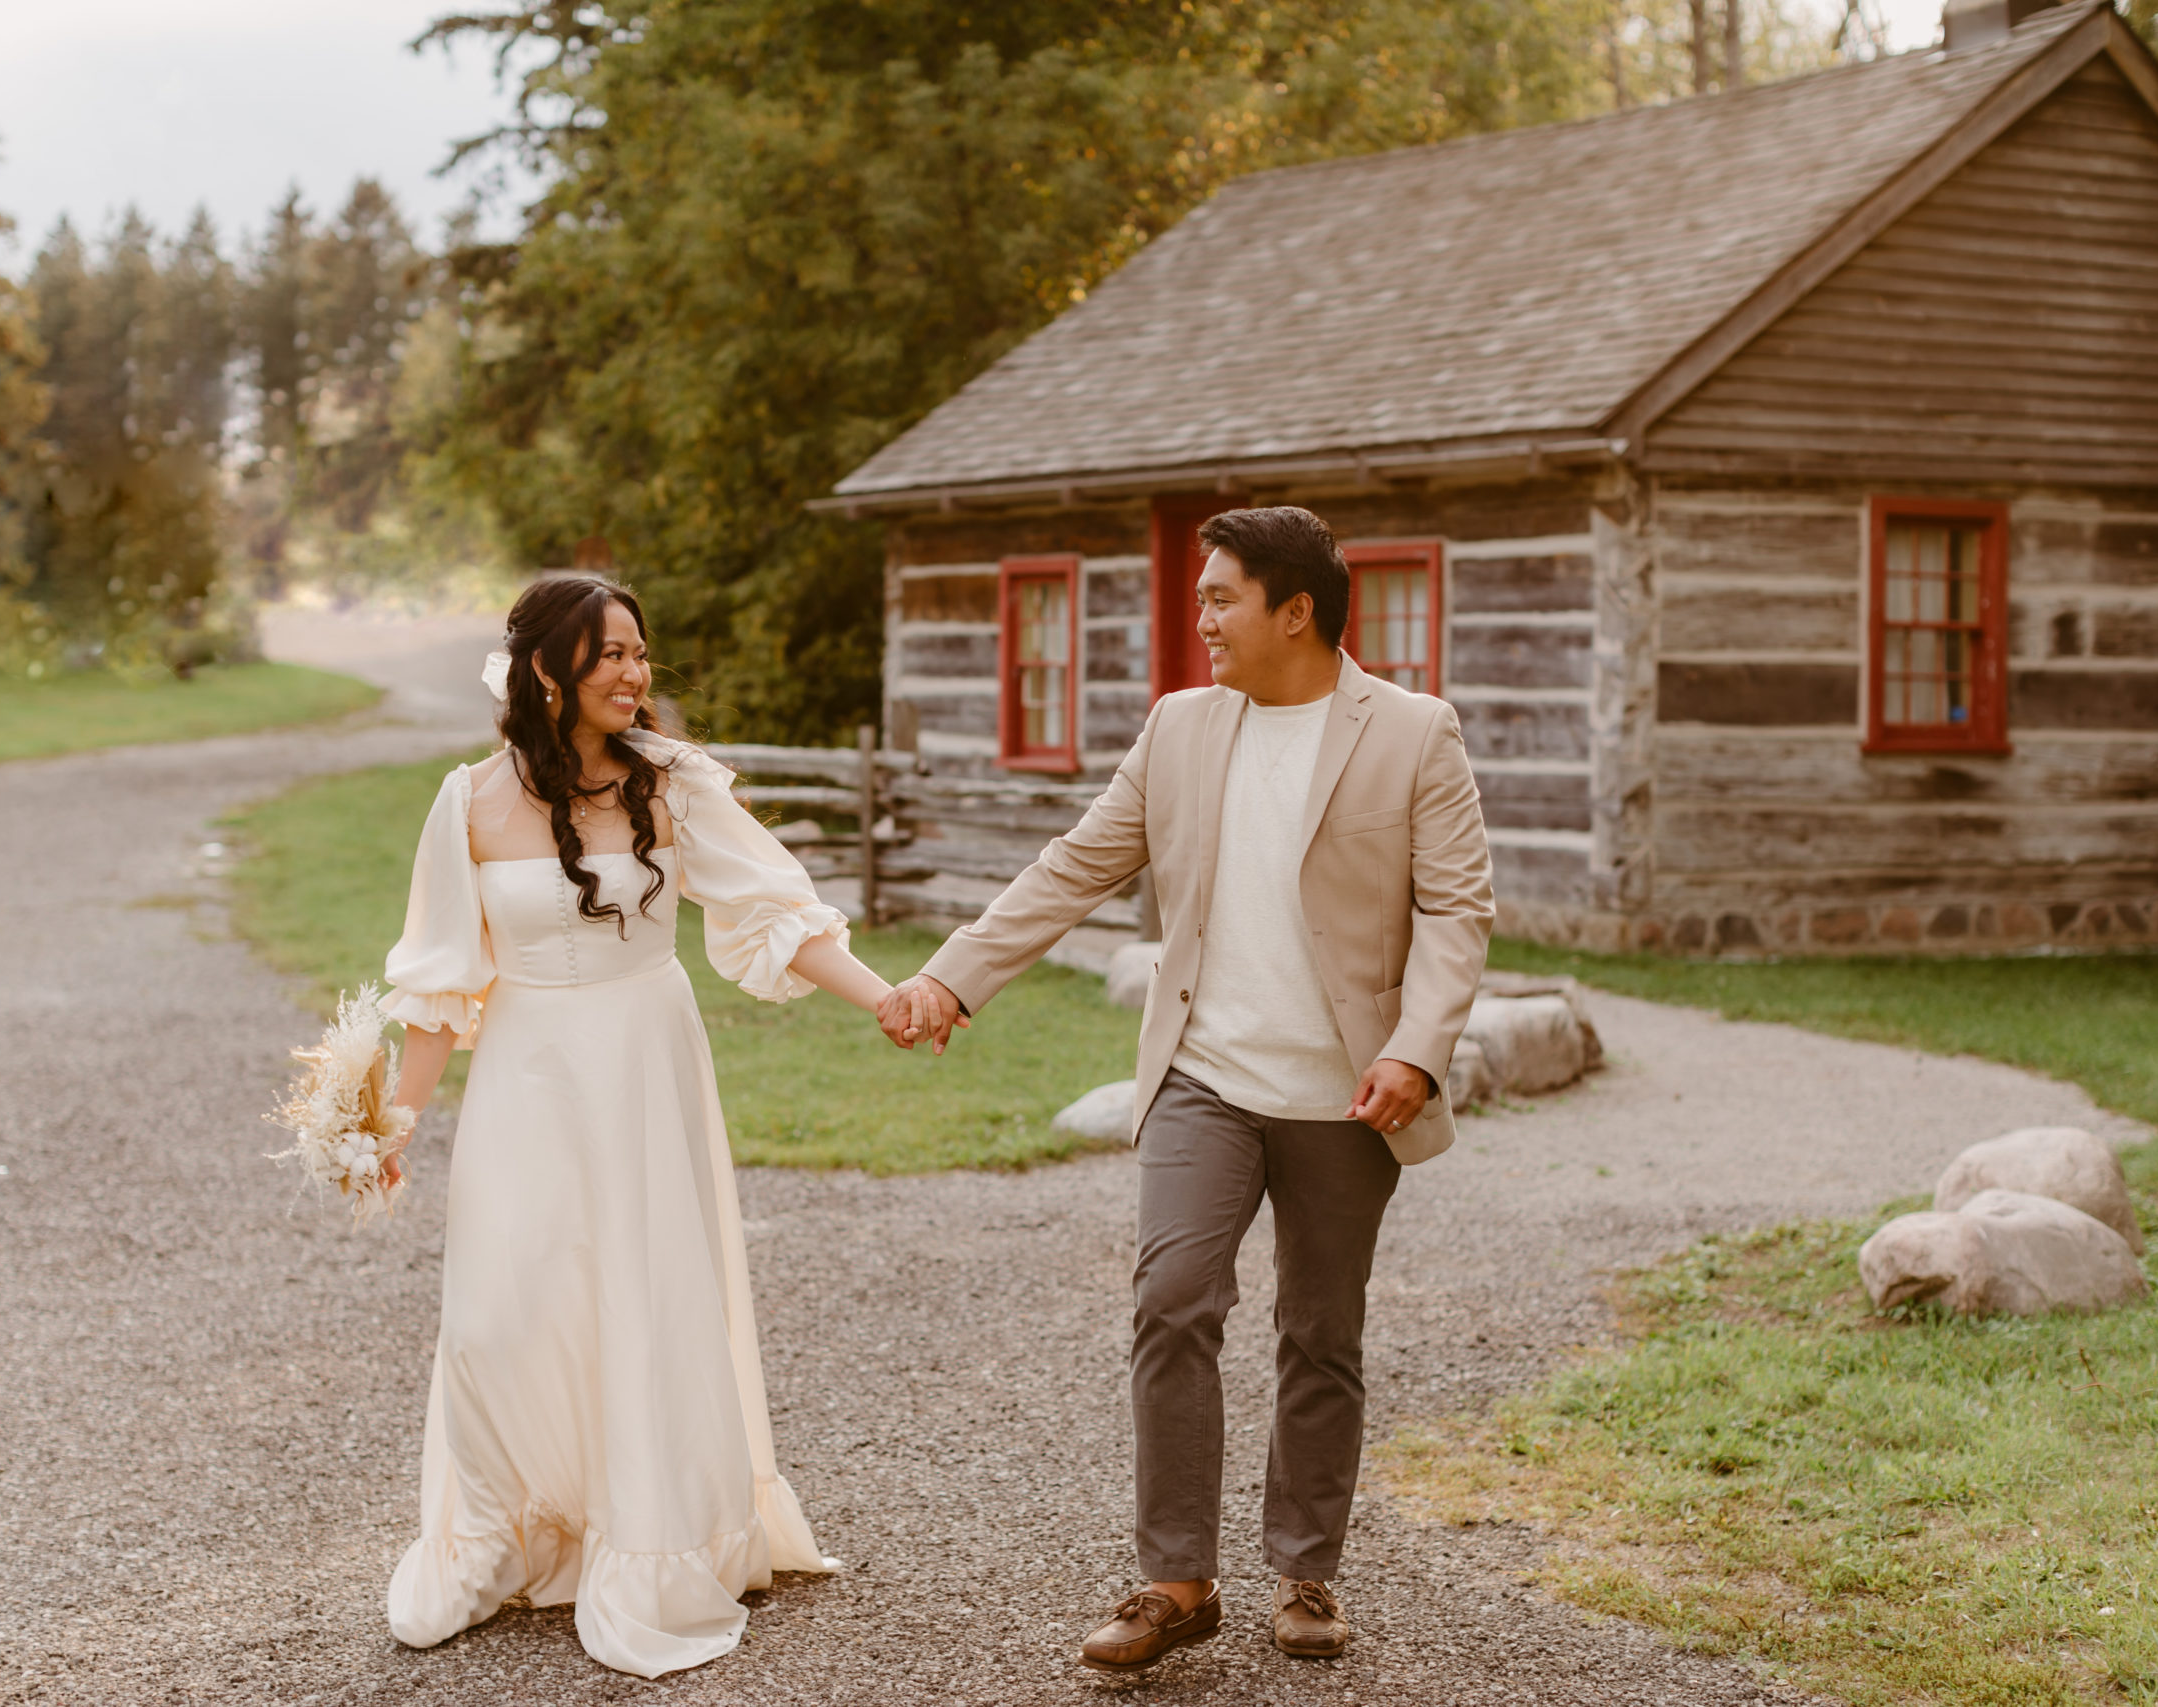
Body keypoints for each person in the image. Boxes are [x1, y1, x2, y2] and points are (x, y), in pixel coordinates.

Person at [881, 506, 1493, 1670]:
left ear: (1293, 609)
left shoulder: (1413, 734)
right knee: (1173, 1299)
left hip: (1347, 1097)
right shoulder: (1179, 728)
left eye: (1220, 597)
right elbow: (1077, 864)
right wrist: (955, 980)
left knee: (1320, 1332)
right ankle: (1177, 1582)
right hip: (1204, 1080)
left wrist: (1417, 1047)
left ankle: (1306, 1573)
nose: (1199, 617)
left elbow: (1457, 908)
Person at [376, 575, 911, 1678]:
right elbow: (440, 987)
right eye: (608, 654)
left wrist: (885, 999)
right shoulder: (467, 803)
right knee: (495, 1309)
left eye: (639, 652)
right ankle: (496, 1535)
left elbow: (774, 911)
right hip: (527, 1074)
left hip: (643, 1063)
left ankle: (650, 1536)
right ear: (544, 671)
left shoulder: (673, 785)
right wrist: (391, 1124)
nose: (633, 672)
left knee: (641, 1296)